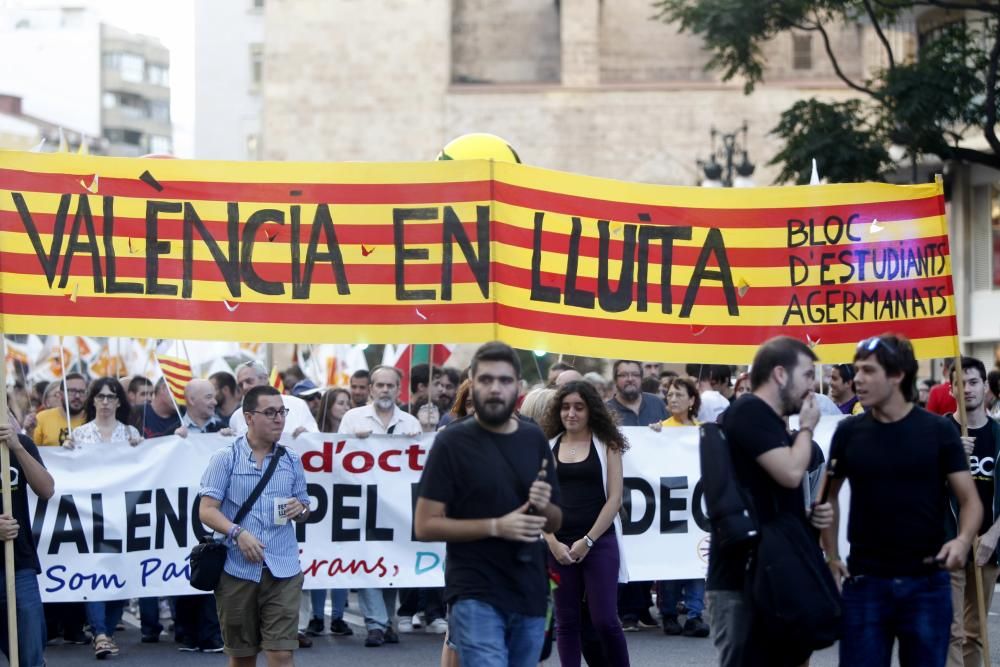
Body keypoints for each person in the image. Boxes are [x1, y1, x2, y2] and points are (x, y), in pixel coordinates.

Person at [822, 335, 981, 667]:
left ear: (896, 376)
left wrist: (963, 540)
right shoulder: (848, 432)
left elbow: (970, 501)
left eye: (868, 370)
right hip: (864, 583)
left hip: (927, 583)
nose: (858, 379)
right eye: (857, 370)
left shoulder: (938, 431)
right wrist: (832, 555)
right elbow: (829, 497)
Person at [414, 341, 562, 667]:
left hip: (529, 588)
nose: (496, 388)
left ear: (518, 387)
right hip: (474, 590)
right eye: (486, 380)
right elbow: (425, 524)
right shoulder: (451, 441)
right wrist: (496, 526)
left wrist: (545, 505)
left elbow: (555, 521)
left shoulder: (533, 437)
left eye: (505, 380)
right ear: (472, 381)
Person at [709, 335, 832, 666]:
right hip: (743, 580)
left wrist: (808, 515)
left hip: (772, 572)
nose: (812, 386)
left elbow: (774, 493)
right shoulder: (749, 411)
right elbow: (792, 473)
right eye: (807, 375)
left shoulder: (772, 421)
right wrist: (807, 429)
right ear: (780, 374)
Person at [199, 385, 312, 664]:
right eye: (270, 412)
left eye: (282, 412)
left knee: (281, 653)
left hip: (283, 569)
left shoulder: (291, 460)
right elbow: (207, 511)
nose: (279, 419)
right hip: (237, 570)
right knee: (243, 657)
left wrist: (301, 509)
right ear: (249, 418)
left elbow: (305, 506)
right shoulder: (225, 458)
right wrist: (238, 533)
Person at [541, 381, 630, 667]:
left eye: (579, 407)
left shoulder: (608, 444)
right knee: (566, 623)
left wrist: (588, 541)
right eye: (566, 407)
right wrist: (552, 542)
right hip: (557, 547)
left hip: (599, 543)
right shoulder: (547, 446)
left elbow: (614, 499)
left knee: (605, 619)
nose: (572, 413)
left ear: (591, 410)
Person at [339, 365, 421, 647]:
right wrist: (353, 443)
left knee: (392, 564)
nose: (384, 390)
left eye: (390, 385)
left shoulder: (410, 423)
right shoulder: (352, 419)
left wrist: (417, 444)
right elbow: (336, 459)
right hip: (362, 503)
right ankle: (376, 624)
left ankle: (388, 621)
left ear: (398, 390)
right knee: (367, 562)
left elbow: (420, 465)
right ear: (371, 389)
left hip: (397, 507)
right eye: (379, 385)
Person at [63, 378, 142, 657]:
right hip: (91, 516)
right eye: (101, 397)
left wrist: (141, 448)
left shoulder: (130, 432)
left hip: (123, 517)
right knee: (94, 572)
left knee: (121, 572)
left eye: (111, 397)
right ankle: (99, 633)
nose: (106, 402)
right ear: (93, 400)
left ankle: (106, 631)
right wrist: (67, 452)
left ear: (119, 401)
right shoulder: (80, 434)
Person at [943, 357, 999, 667]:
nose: (967, 389)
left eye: (974, 382)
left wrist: (994, 534)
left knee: (975, 633)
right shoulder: (939, 432)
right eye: (960, 384)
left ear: (986, 387)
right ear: (950, 389)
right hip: (950, 542)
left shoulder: (999, 434)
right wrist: (949, 459)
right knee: (951, 631)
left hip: (987, 546)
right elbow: (921, 488)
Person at [605, 359, 666, 631]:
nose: (629, 379)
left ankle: (642, 609)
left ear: (641, 378)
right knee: (625, 547)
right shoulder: (606, 411)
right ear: (615, 380)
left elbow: (675, 431)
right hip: (622, 488)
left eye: (634, 374)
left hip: (653, 488)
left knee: (649, 545)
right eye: (623, 375)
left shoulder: (657, 405)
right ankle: (626, 610)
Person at [651, 376, 708, 638]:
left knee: (697, 560)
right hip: (668, 505)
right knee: (669, 560)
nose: (672, 399)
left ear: (692, 400)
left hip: (696, 507)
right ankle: (669, 614)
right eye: (670, 395)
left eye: (679, 394)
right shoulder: (659, 429)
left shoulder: (704, 430)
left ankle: (695, 615)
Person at [0, 421, 55, 667]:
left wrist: (18, 447)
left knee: (30, 648)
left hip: (19, 562)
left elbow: (46, 489)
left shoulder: (19, 445)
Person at [228, 361, 318, 440]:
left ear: (264, 378)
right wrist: (224, 438)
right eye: (240, 385)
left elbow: (316, 441)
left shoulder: (297, 405)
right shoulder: (236, 417)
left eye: (249, 381)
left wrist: (307, 435)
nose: (245, 387)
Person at [33, 372, 87, 446]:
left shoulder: (93, 418)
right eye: (72, 391)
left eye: (81, 392)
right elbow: (32, 451)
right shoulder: (42, 418)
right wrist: (29, 432)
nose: (77, 396)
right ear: (61, 394)